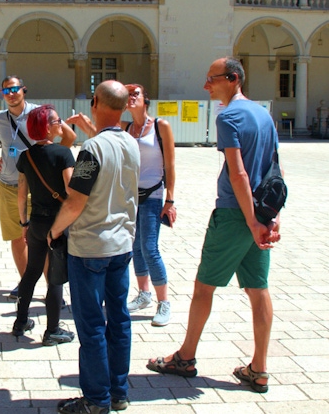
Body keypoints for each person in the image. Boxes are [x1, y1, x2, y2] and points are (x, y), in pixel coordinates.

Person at [146, 57, 281, 394]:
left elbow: (239, 173)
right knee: (258, 288)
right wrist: (271, 217)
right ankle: (259, 369)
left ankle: (185, 357)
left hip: (237, 215)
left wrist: (250, 221)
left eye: (212, 79)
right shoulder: (264, 115)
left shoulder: (230, 116)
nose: (206, 86)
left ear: (232, 79)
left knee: (204, 286)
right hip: (260, 215)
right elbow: (274, 170)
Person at [50, 81, 140, 414]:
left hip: (90, 249)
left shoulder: (91, 150)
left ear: (95, 103)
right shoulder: (131, 142)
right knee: (119, 321)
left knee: (91, 327)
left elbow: (76, 200)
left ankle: (96, 400)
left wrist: (55, 230)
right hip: (121, 245)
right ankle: (119, 392)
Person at [0, 76, 76, 298]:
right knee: (17, 238)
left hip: (37, 190)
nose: (11, 94)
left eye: (15, 89)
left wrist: (55, 159)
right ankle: (26, 287)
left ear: (24, 90)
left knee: (44, 239)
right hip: (7, 186)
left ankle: (52, 290)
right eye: (6, 91)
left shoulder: (39, 114)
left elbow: (69, 137)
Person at [13, 105, 76, 346]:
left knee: (31, 272)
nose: (61, 124)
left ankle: (20, 322)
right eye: (57, 121)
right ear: (48, 127)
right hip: (57, 223)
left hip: (36, 221)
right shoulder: (62, 154)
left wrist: (24, 223)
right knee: (55, 276)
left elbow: (21, 194)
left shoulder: (25, 156)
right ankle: (53, 330)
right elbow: (71, 191)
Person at [121, 83, 176, 327]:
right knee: (135, 247)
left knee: (149, 247)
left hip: (153, 195)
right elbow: (97, 131)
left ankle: (164, 302)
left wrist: (170, 199)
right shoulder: (125, 128)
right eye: (127, 95)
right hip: (131, 197)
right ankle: (144, 294)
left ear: (146, 100)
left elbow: (171, 165)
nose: (131, 98)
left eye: (136, 94)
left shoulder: (160, 126)